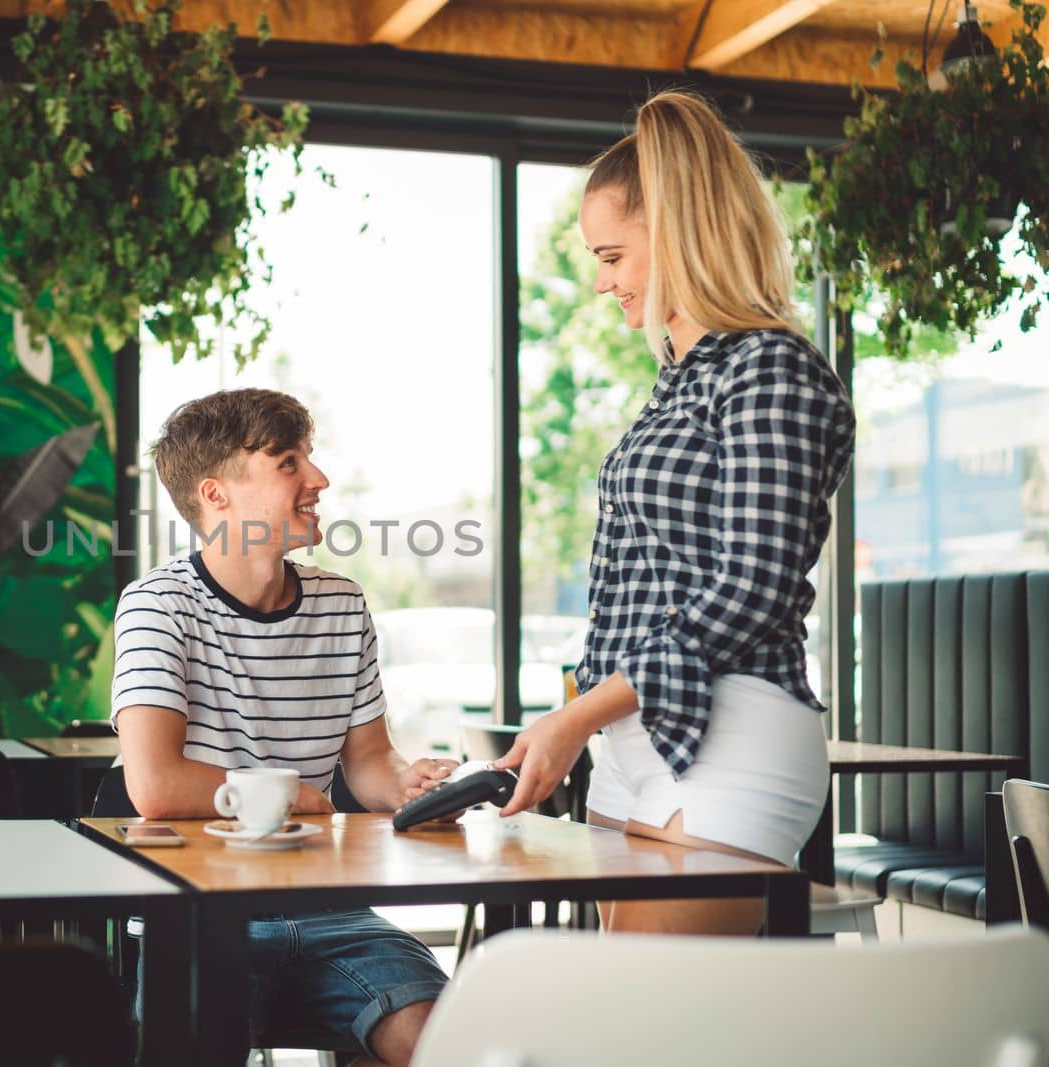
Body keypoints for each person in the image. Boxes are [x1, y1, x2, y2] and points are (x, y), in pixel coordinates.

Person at [492, 89, 856, 935]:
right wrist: (584, 720)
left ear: (681, 229)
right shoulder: (676, 382)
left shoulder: (770, 369)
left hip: (733, 740)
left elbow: (752, 590)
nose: (600, 281)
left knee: (665, 1023)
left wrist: (576, 715)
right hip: (633, 747)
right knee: (627, 1024)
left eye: (613, 255)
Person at [112, 387, 452, 1066]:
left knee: (449, 1043)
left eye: (310, 459)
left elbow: (368, 762)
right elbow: (155, 783)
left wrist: (407, 784)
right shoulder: (157, 604)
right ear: (218, 495)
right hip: (203, 914)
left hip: (336, 911)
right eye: (289, 463)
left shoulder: (340, 602)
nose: (318, 480)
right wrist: (292, 792)